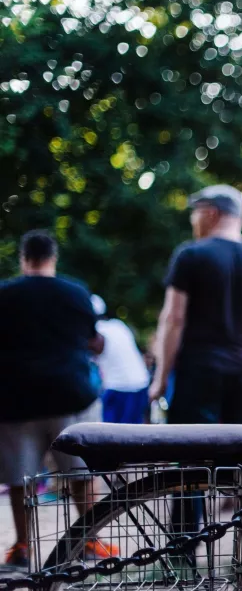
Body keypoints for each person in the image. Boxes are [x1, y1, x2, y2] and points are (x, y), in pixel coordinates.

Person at [150, 185, 242, 554]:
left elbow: (173, 318)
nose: (193, 220)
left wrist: (161, 379)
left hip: (199, 371)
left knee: (191, 461)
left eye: (195, 212)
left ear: (210, 213)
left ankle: (183, 546)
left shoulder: (191, 255)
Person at [0, 230, 111, 566]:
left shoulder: (5, 294)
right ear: (53, 257)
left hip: (17, 398)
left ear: (23, 257)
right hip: (70, 394)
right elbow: (94, 341)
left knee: (21, 479)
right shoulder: (75, 292)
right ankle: (89, 542)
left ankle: (23, 547)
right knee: (80, 473)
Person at [93, 295, 151, 424]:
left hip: (119, 388)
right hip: (140, 383)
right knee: (134, 434)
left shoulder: (98, 332)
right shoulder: (118, 325)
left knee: (112, 436)